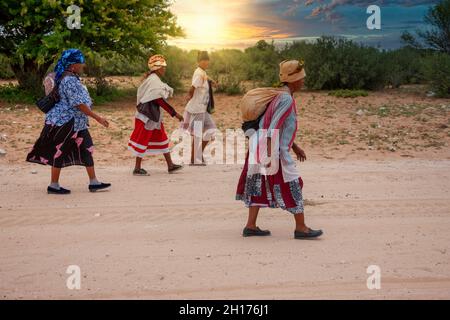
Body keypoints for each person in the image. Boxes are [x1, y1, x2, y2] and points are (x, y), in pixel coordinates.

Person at [236, 60, 323, 240]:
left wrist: (295, 146)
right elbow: (273, 126)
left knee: (258, 182)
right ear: (293, 81)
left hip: (259, 143)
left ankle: (250, 226)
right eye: (301, 78)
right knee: (293, 183)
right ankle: (301, 228)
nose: (303, 81)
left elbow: (276, 126)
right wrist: (270, 154)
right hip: (270, 147)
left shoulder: (279, 95)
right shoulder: (285, 98)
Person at [26, 49, 111, 195]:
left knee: (86, 149)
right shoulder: (69, 80)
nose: (83, 65)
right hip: (66, 123)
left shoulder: (67, 77)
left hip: (77, 123)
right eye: (80, 62)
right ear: (72, 65)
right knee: (60, 150)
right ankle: (53, 185)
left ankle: (94, 182)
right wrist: (98, 118)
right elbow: (78, 104)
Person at [128, 54, 184, 176]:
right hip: (147, 118)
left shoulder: (154, 79)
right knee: (143, 140)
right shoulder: (154, 81)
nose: (164, 69)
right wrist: (175, 114)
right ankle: (137, 169)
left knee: (162, 138)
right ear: (157, 69)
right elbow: (159, 100)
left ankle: (170, 165)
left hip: (152, 116)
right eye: (163, 67)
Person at [181, 51, 217, 166]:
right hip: (197, 109)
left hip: (203, 109)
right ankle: (194, 159)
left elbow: (206, 78)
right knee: (197, 134)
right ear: (199, 61)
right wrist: (188, 97)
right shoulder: (199, 73)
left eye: (207, 60)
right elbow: (192, 88)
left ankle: (198, 154)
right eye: (203, 60)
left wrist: (212, 82)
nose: (206, 62)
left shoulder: (202, 72)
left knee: (211, 129)